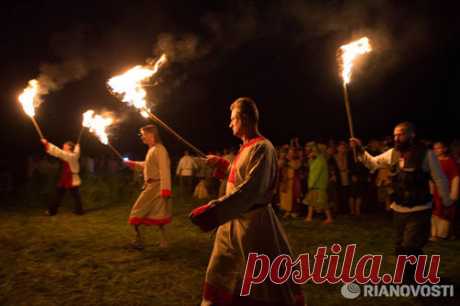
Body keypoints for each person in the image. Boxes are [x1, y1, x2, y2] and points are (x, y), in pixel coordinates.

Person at [190, 97, 304, 306]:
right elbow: (240, 178)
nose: (230, 123)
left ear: (244, 118)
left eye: (233, 119)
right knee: (222, 272)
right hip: (232, 224)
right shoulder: (245, 148)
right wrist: (225, 166)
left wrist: (214, 211)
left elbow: (251, 190)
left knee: (257, 282)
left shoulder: (263, 148)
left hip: (253, 227)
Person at [350, 122, 452, 283]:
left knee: (411, 247)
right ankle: (409, 277)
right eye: (395, 134)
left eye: (401, 134)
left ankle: (413, 279)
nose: (397, 137)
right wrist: (360, 149)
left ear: (412, 135)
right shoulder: (393, 153)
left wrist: (446, 200)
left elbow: (440, 178)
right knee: (400, 247)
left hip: (419, 208)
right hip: (399, 208)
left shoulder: (427, 154)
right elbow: (373, 163)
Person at [124, 125, 172, 250]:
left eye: (143, 134)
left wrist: (165, 189)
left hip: (157, 187)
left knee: (139, 212)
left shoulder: (160, 149)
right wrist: (133, 164)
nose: (142, 137)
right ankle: (143, 240)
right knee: (157, 214)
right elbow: (148, 165)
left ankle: (142, 241)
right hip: (151, 186)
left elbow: (164, 169)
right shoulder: (152, 149)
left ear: (151, 134)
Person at [41, 139, 84, 215]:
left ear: (69, 147)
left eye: (65, 145)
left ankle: (78, 211)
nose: (63, 146)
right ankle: (53, 211)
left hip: (71, 179)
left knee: (73, 196)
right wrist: (77, 147)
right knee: (61, 195)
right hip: (65, 178)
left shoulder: (70, 155)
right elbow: (75, 152)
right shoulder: (73, 154)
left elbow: (58, 152)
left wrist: (47, 144)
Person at [430, 141, 459, 241]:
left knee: (445, 212)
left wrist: (454, 192)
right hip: (434, 190)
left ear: (444, 149)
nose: (436, 150)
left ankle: (443, 234)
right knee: (434, 211)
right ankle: (434, 233)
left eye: (438, 148)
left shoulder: (450, 161)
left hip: (446, 190)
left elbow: (455, 177)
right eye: (435, 148)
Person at [303, 142, 332, 223]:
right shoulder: (318, 159)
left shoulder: (320, 160)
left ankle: (329, 218)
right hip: (316, 185)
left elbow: (315, 173)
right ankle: (309, 217)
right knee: (311, 202)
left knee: (323, 203)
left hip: (318, 185)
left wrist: (311, 184)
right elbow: (312, 168)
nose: (311, 153)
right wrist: (311, 159)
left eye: (312, 151)